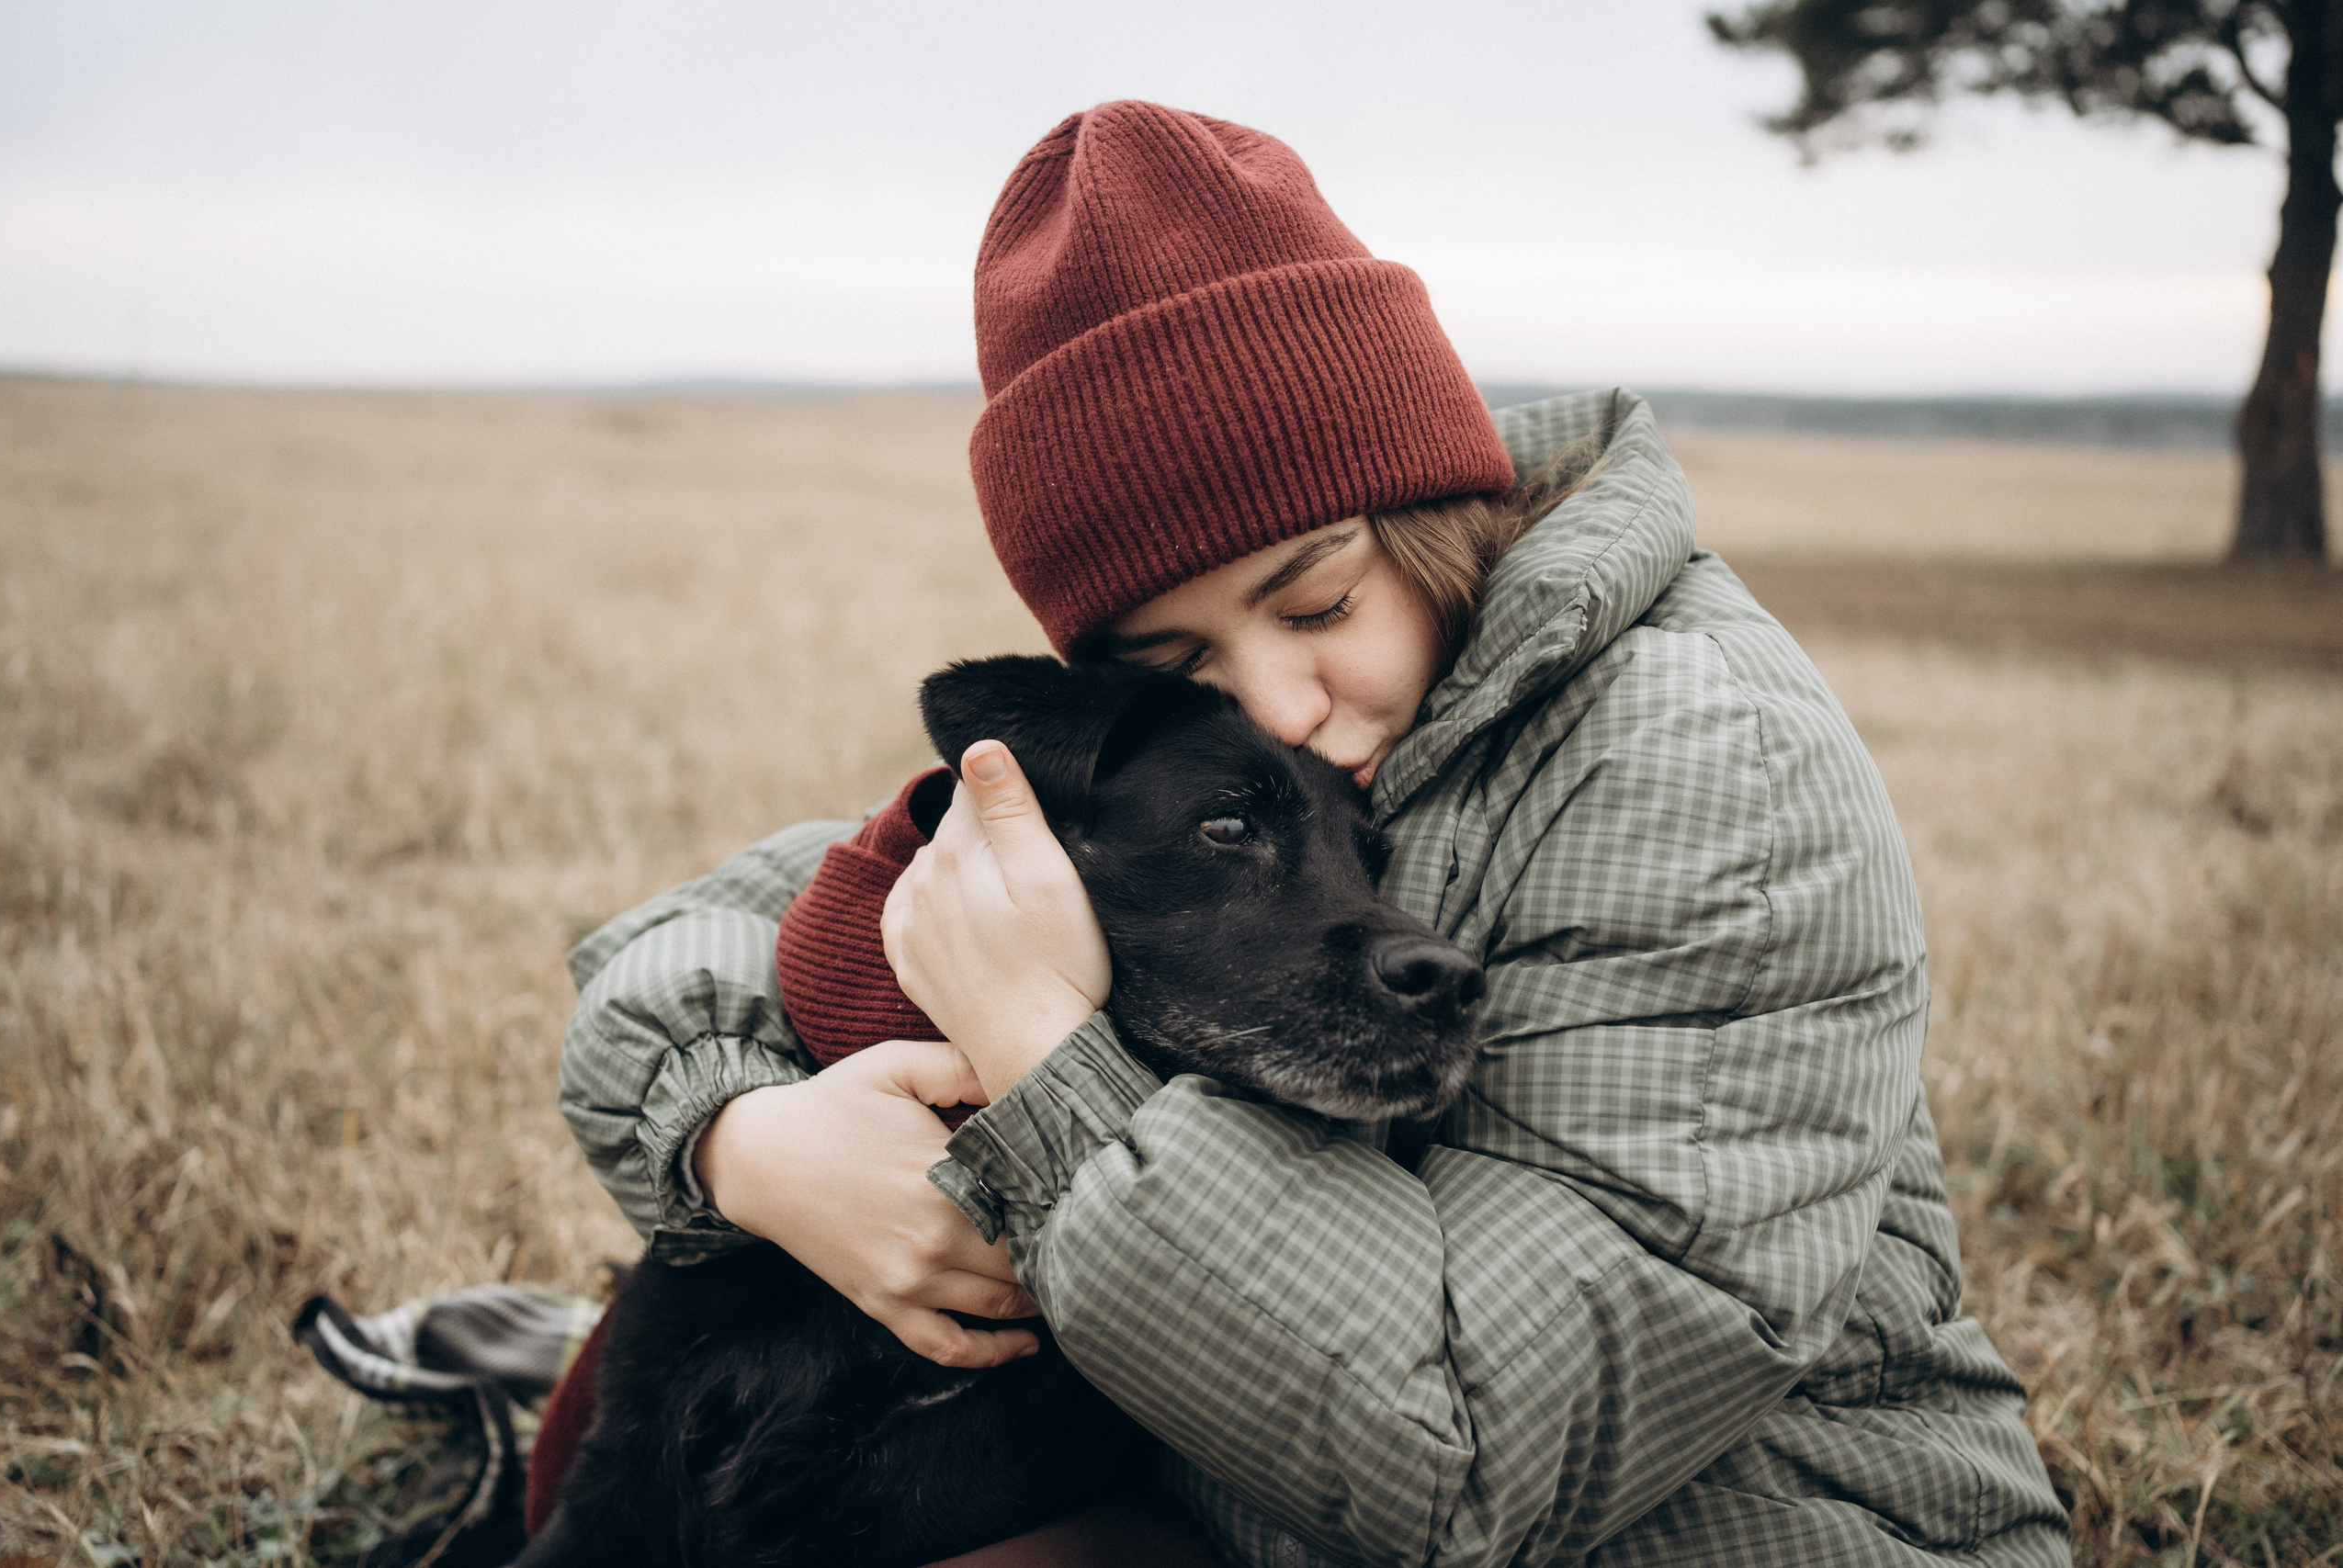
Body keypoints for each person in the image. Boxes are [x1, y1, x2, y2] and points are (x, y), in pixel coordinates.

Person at [556, 101, 2071, 1565]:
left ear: (1422, 505)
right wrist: (751, 1143)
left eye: (1320, 600)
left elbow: (1474, 1462)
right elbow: (682, 944)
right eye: (1176, 668)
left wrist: (1038, 1054)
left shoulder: (1701, 768)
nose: (1274, 704)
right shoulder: (1293, 760)